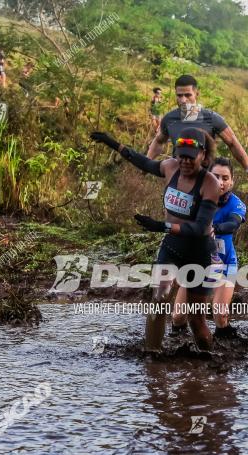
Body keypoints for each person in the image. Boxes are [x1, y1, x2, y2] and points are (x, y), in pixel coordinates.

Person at [91, 127, 222, 352]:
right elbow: (142, 162)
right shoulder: (170, 167)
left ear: (203, 156)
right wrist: (112, 142)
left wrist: (162, 226)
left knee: (195, 318)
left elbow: (200, 228)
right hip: (172, 247)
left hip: (199, 253)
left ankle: (210, 361)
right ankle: (152, 358)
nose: (185, 162)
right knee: (159, 299)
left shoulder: (210, 184)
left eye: (191, 157)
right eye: (181, 156)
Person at [172, 157, 247, 339]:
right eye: (215, 176)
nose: (220, 182)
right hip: (196, 264)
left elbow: (233, 223)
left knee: (220, 316)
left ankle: (226, 351)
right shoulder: (195, 199)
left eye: (225, 178)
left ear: (232, 181)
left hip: (224, 264)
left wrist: (214, 228)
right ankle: (179, 350)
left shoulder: (236, 204)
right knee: (178, 316)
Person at [147, 74, 248, 191]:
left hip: (206, 184)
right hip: (178, 183)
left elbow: (232, 143)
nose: (183, 100)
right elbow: (158, 141)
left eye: (188, 95)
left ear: (197, 94)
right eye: (179, 95)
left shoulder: (211, 118)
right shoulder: (169, 119)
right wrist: (145, 164)